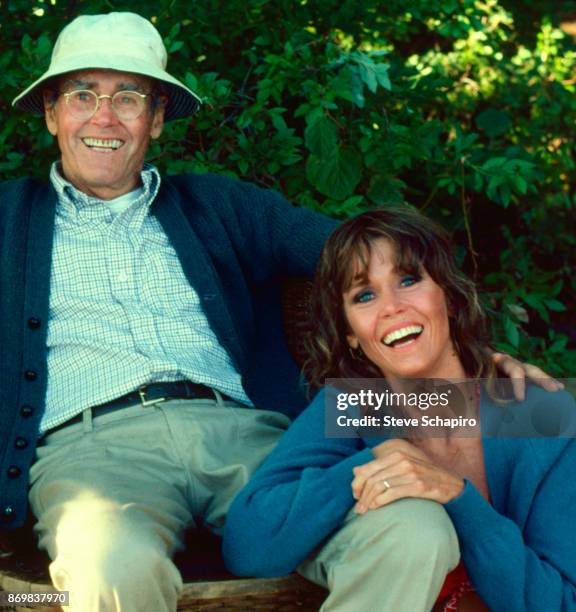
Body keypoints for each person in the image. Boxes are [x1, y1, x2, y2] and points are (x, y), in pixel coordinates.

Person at [0, 11, 558, 612]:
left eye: (129, 97)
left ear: (157, 119)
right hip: (93, 457)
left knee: (413, 529)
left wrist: (475, 354)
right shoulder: (7, 219)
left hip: (246, 438)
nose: (103, 116)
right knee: (112, 563)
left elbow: (377, 259)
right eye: (83, 94)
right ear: (53, 112)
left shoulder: (219, 204)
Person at [223, 208, 576, 611]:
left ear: (448, 294)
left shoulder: (538, 411)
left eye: (408, 280)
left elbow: (562, 602)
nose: (391, 307)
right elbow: (249, 545)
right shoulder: (355, 407)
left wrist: (459, 497)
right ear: (350, 334)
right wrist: (373, 464)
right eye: (364, 296)